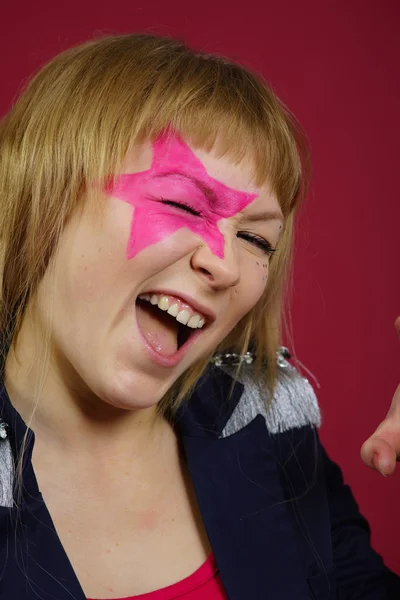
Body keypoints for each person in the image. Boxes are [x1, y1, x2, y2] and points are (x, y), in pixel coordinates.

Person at [0, 33, 398, 600]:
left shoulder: (270, 438)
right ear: (47, 195)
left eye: (257, 239)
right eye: (183, 204)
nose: (227, 265)